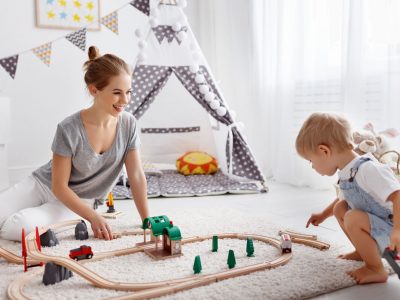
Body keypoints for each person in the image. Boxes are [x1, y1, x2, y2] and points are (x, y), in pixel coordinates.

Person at [0, 46, 149, 241]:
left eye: (128, 92)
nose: (125, 100)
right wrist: (94, 218)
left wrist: (147, 220)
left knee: (17, 227)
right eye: (117, 93)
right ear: (94, 90)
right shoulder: (68, 128)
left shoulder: (128, 124)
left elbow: (136, 175)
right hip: (43, 184)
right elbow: (59, 187)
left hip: (79, 201)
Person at [295, 112, 400, 284]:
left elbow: (398, 194)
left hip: (394, 233)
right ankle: (364, 251)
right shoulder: (347, 172)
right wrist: (323, 215)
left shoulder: (368, 169)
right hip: (380, 229)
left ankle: (376, 269)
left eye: (311, 161)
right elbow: (342, 198)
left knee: (353, 217)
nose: (312, 166)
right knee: (340, 208)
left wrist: (397, 230)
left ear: (324, 151)